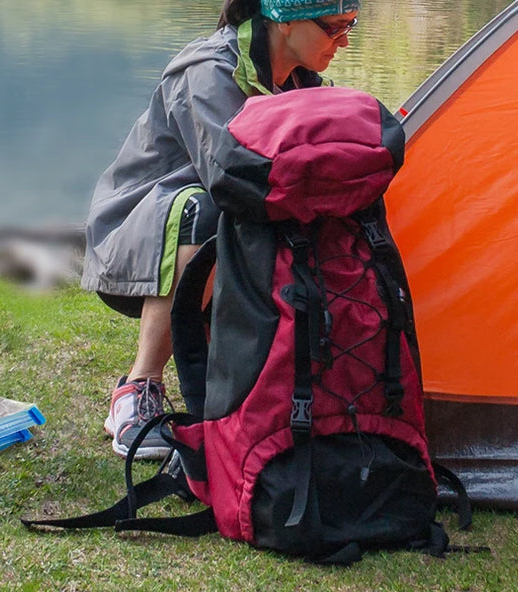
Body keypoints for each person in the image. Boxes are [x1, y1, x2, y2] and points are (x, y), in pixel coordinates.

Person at [82, 0, 361, 459]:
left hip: (216, 234)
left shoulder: (300, 82)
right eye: (334, 27)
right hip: (137, 240)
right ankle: (138, 390)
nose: (345, 40)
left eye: (350, 26)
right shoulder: (208, 71)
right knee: (210, 209)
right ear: (286, 20)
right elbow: (232, 176)